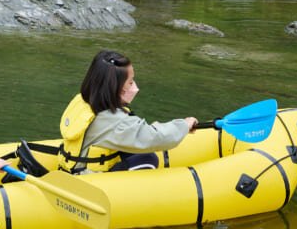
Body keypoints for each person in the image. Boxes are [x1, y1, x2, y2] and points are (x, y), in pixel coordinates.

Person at [57, 49, 199, 174]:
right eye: (130, 82)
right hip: (87, 181)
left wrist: (151, 128)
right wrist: (184, 125)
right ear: (115, 88)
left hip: (70, 168)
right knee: (149, 158)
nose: (134, 87)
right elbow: (154, 138)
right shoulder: (114, 121)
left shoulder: (82, 101)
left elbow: (127, 132)